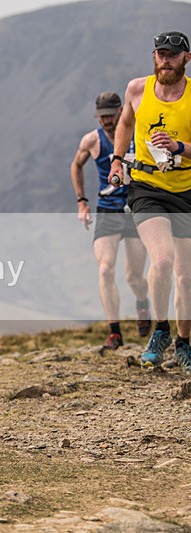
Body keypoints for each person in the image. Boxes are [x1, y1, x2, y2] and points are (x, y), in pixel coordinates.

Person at [108, 31, 191, 370]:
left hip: (186, 189)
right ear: (154, 57)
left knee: (186, 276)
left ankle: (184, 344)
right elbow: (125, 122)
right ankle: (160, 329)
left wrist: (179, 148)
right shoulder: (137, 89)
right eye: (160, 54)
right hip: (146, 188)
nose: (165, 60)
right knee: (162, 260)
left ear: (186, 58)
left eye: (172, 54)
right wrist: (117, 159)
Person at [71, 92, 151, 352]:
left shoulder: (136, 132)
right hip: (107, 209)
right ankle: (114, 332)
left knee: (134, 276)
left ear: (120, 112)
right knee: (105, 269)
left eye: (110, 115)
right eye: (101, 117)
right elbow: (76, 165)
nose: (106, 121)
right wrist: (82, 201)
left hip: (135, 208)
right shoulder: (92, 140)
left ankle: (142, 303)